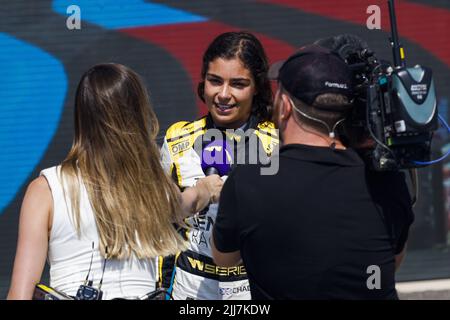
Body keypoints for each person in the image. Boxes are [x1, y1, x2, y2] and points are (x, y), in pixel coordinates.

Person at [211, 45, 414, 299]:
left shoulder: (248, 182)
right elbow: (391, 261)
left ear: (284, 106)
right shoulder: (387, 180)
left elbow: (225, 260)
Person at [7, 63, 222, 300]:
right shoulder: (151, 187)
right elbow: (184, 203)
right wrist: (207, 188)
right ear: (138, 116)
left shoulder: (44, 190)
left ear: (82, 116)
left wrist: (204, 188)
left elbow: (20, 293)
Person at [159, 31, 279, 300]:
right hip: (189, 287)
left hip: (255, 285)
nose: (224, 94)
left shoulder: (280, 142)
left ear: (257, 86)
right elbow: (159, 225)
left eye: (238, 84)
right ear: (203, 83)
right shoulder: (177, 138)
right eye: (215, 81)